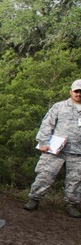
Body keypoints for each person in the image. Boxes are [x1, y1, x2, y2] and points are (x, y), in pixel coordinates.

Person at [23, 79, 81, 218]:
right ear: (71, 92)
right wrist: (43, 142)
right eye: (76, 91)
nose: (78, 94)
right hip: (56, 149)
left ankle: (71, 204)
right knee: (45, 174)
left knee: (76, 180)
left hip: (78, 152)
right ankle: (34, 199)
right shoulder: (59, 106)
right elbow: (47, 124)